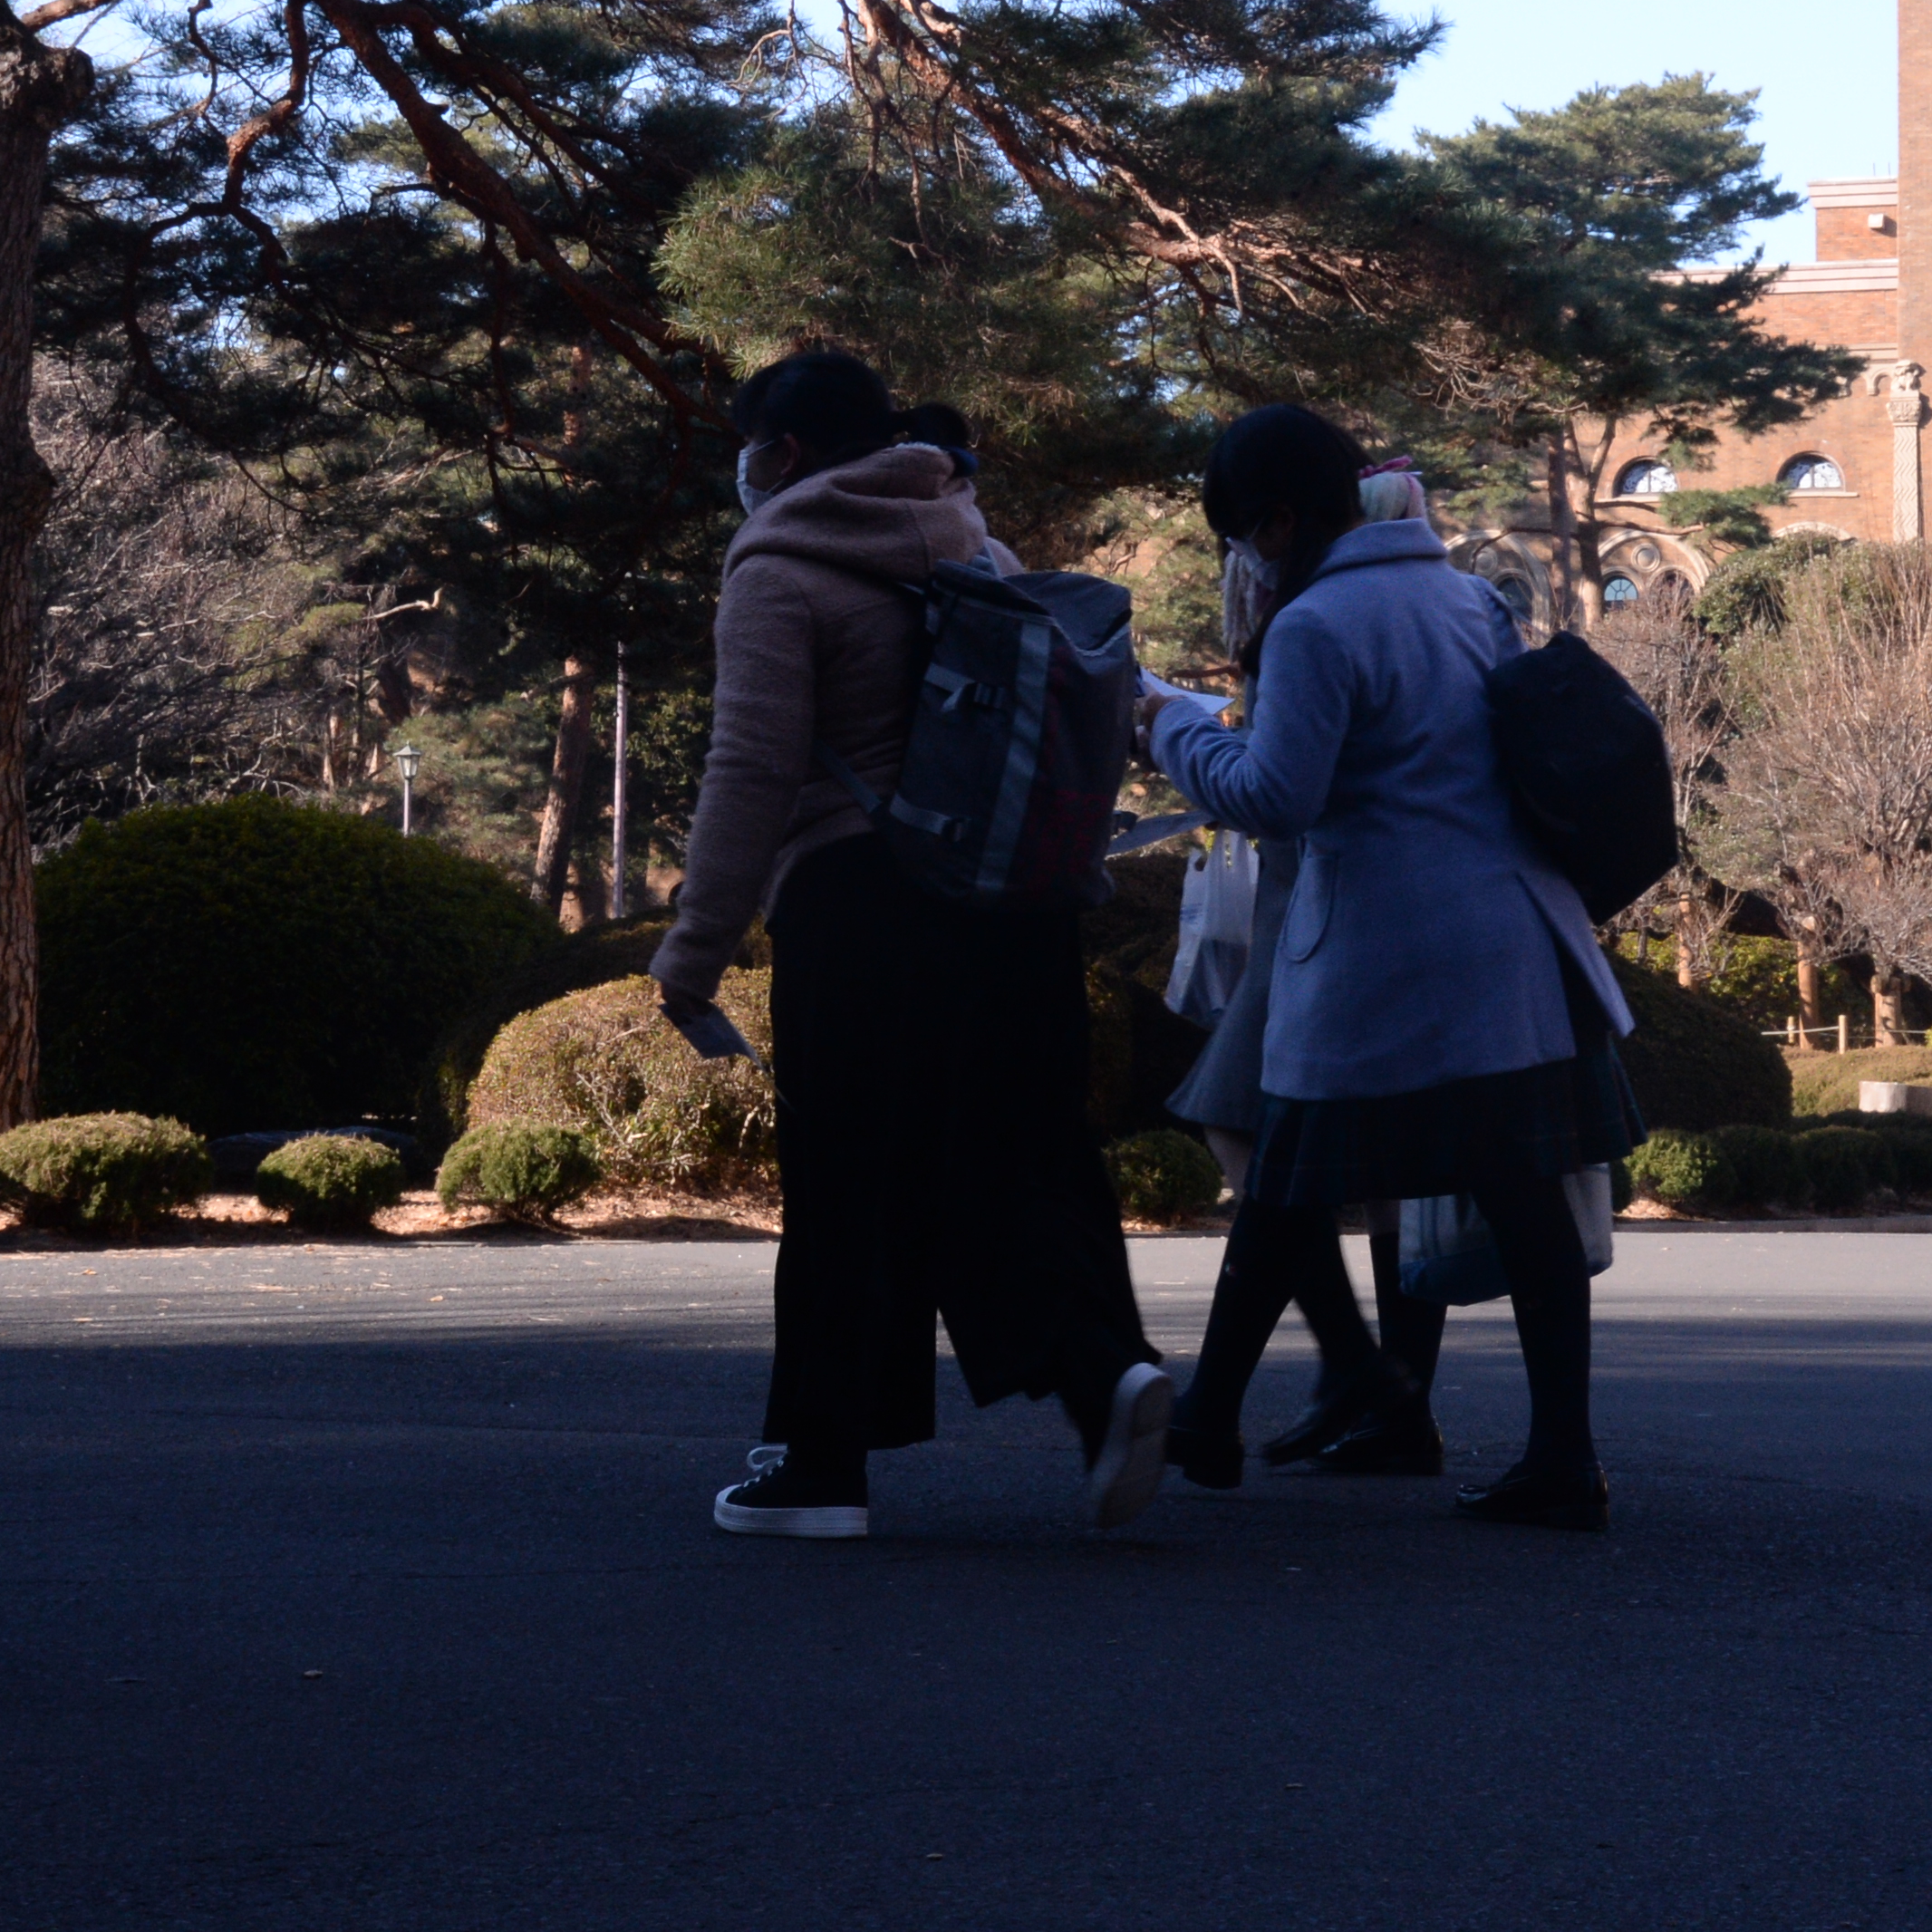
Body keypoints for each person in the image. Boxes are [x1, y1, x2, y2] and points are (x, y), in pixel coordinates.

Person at [658, 350, 1174, 1541]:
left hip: (863, 902)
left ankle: (823, 1466)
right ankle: (1107, 1379)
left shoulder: (780, 571)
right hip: (1017, 904)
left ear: (779, 455)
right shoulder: (975, 545)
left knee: (849, 1183)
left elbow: (753, 771)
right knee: (1027, 1157)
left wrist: (693, 953)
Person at [1140, 404, 1641, 1531]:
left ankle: (1210, 1415)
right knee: (1521, 1197)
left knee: (1284, 1175)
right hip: (1507, 937)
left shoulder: (1318, 623)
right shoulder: (1463, 595)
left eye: (1239, 536)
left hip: (1380, 946)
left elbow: (1277, 796)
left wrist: (1161, 724)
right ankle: (1561, 1453)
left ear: (1278, 520)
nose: (1241, 560)